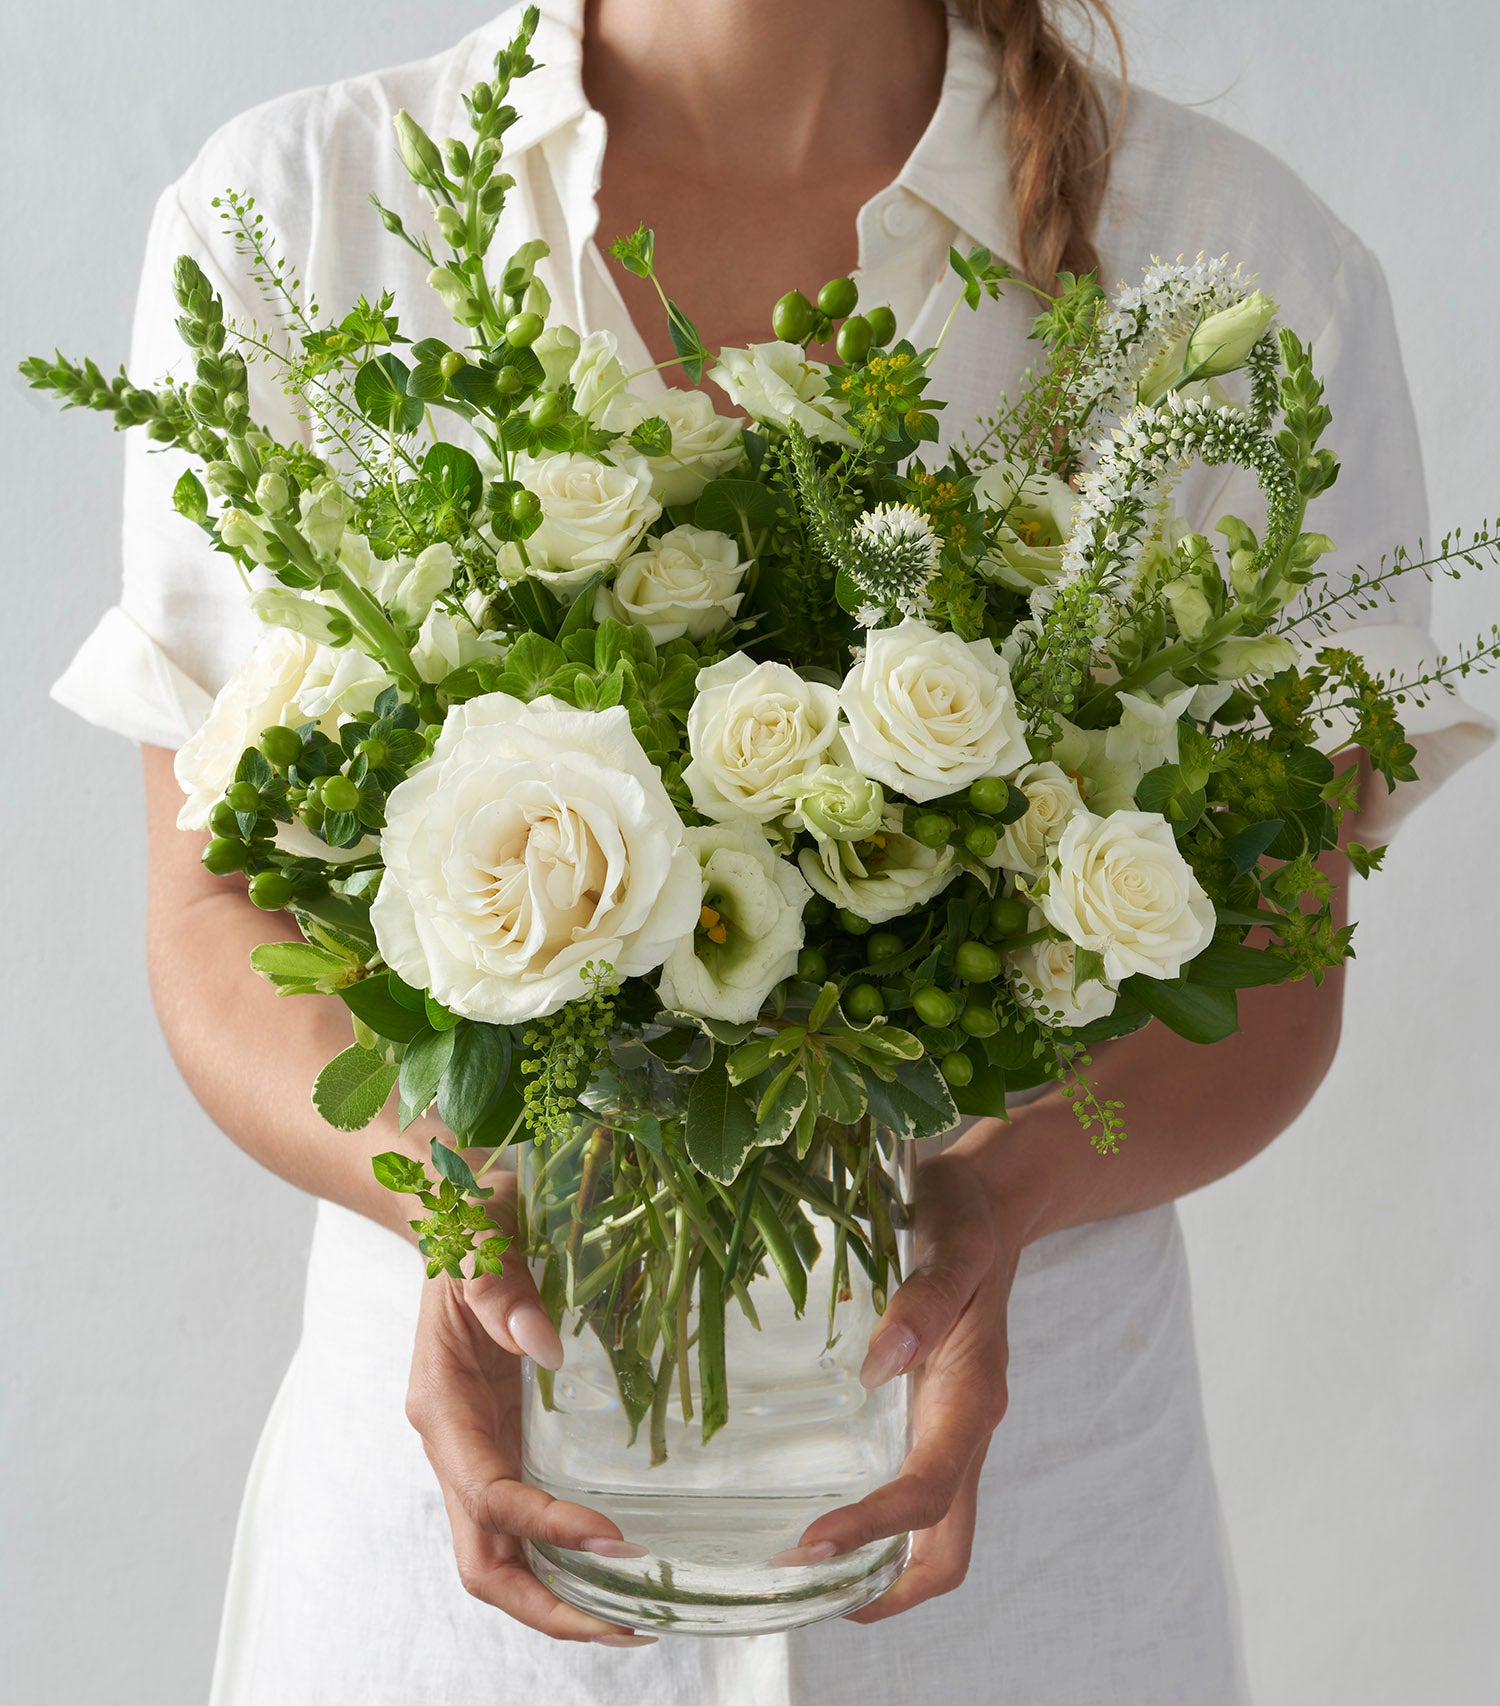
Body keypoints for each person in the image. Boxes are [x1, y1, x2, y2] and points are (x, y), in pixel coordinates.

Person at [51, 0, 1493, 1701]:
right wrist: (453, 1207)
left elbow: (1269, 974)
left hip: (1030, 1566)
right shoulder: (296, 212)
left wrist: (999, 1192)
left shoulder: (1235, 264)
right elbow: (216, 908)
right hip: (455, 1574)